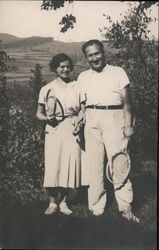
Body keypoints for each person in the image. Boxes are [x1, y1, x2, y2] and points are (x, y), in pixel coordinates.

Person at [77, 39, 139, 223]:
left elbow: (128, 103)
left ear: (103, 53)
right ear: (86, 58)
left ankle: (125, 209)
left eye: (97, 53)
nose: (94, 58)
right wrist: (81, 117)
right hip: (91, 120)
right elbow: (82, 105)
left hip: (114, 118)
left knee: (119, 165)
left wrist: (128, 125)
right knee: (94, 166)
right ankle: (96, 208)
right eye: (90, 55)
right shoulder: (83, 77)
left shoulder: (118, 72)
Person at [36, 53, 86, 215]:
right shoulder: (47, 88)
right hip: (53, 130)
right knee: (53, 166)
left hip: (72, 130)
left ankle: (64, 203)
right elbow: (39, 113)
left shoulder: (77, 86)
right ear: (55, 68)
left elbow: (83, 111)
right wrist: (47, 119)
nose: (65, 69)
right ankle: (52, 203)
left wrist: (79, 122)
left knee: (67, 166)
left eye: (67, 66)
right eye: (61, 66)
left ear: (70, 67)